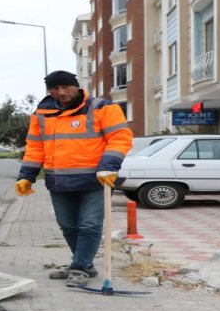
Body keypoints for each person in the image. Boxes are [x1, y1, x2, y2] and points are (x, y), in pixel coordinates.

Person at [15, 70, 133, 287]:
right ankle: (84, 264)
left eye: (65, 87)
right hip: (58, 181)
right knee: (68, 226)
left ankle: (79, 267)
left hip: (95, 181)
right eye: (54, 88)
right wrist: (27, 176)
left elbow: (120, 138)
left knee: (89, 225)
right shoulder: (41, 114)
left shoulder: (102, 108)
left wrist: (108, 166)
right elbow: (35, 146)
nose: (61, 92)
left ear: (77, 86)